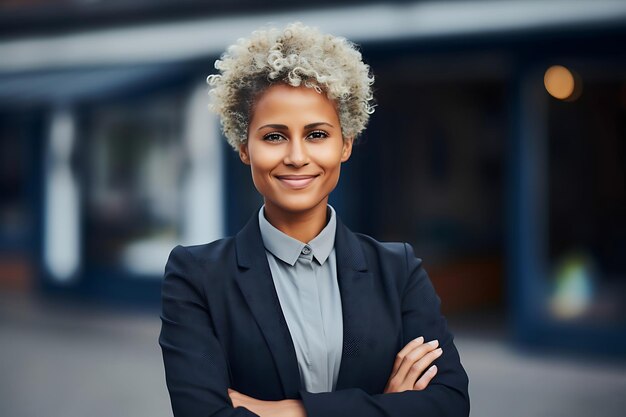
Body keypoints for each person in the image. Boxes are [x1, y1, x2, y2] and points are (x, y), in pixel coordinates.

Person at [159, 22, 469, 417]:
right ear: (243, 147)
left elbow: (449, 404)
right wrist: (386, 407)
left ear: (346, 143)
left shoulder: (398, 271)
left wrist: (286, 411)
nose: (296, 156)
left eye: (317, 134)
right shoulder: (195, 276)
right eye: (274, 136)